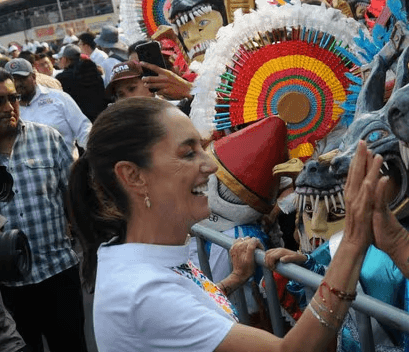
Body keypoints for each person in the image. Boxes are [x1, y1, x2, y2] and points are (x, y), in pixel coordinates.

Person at [67, 96, 378, 352]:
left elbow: (183, 309)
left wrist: (233, 279)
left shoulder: (137, 254)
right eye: (188, 153)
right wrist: (352, 241)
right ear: (133, 176)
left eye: (202, 146)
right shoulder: (143, 293)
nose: (211, 164)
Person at [0, 68, 88, 352]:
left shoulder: (48, 138)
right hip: (8, 290)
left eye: (12, 98)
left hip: (58, 273)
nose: (8, 108)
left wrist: (90, 256)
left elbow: (73, 200)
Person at [4, 58, 91, 155]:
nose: (18, 83)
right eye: (13, 80)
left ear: (33, 77)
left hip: (66, 166)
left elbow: (84, 130)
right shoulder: (7, 110)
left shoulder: (58, 98)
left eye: (22, 78)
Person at [54, 45, 108, 122]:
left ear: (65, 59)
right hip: (102, 117)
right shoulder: (93, 70)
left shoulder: (62, 78)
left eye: (60, 59)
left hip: (81, 122)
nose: (59, 61)